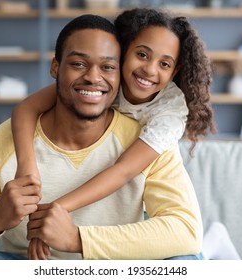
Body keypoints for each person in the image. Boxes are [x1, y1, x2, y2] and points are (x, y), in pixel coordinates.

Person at [0, 13, 203, 260]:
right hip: (30, 265)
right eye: (77, 64)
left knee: (189, 263)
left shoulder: (153, 137)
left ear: (116, 71)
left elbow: (187, 231)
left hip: (111, 266)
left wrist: (78, 238)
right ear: (55, 68)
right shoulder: (2, 143)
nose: (92, 77)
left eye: (107, 67)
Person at [11, 8, 215, 259]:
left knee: (188, 257)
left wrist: (55, 210)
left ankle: (216, 241)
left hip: (142, 202)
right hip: (108, 196)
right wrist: (27, 170)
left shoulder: (169, 113)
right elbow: (26, 108)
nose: (150, 70)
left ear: (174, 72)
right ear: (122, 52)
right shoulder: (101, 79)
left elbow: (124, 170)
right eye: (142, 54)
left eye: (164, 64)